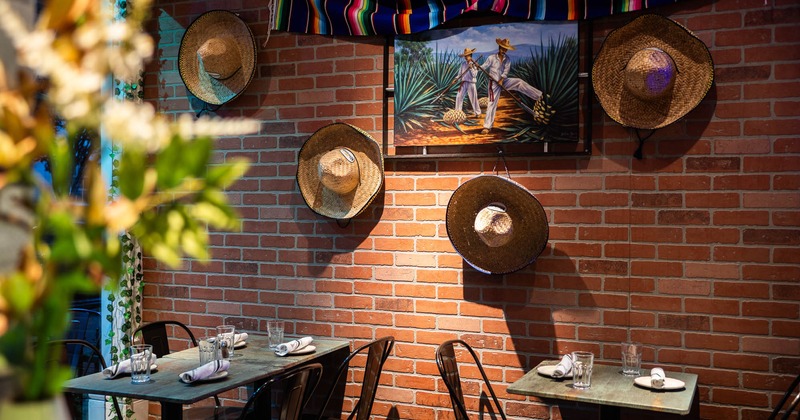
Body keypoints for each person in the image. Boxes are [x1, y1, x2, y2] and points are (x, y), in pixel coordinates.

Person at [480, 38, 544, 134]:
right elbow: (484, 66)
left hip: (503, 81)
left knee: (519, 82)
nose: (504, 50)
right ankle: (487, 126)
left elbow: (506, 71)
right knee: (492, 103)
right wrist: (477, 67)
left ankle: (538, 96)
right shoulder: (491, 58)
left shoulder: (507, 59)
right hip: (493, 84)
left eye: (506, 49)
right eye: (503, 48)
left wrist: (501, 80)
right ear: (499, 47)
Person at [454, 48, 482, 117]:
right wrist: (456, 79)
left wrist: (471, 68)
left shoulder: (474, 64)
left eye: (467, 56)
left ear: (470, 55)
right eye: (465, 56)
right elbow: (460, 74)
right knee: (459, 97)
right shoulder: (463, 64)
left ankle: (478, 113)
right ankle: (458, 113)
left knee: (473, 98)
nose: (466, 57)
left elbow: (474, 75)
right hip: (463, 83)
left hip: (471, 83)